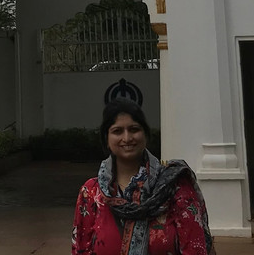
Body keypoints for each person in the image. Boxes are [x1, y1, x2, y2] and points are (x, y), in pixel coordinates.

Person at [72, 99, 215, 255]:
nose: (127, 138)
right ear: (106, 139)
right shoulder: (92, 193)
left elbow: (195, 249)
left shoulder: (175, 186)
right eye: (117, 131)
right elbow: (81, 249)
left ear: (146, 135)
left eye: (134, 129)